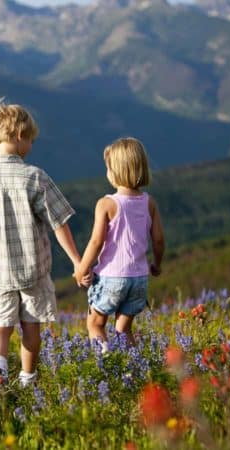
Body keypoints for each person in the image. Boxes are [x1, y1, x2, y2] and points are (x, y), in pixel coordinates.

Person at [0, 99, 83, 388]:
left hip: (0, 271)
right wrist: (78, 262)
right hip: (34, 269)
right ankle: (28, 378)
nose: (31, 145)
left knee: (0, 326)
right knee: (31, 326)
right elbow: (59, 223)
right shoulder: (34, 177)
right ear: (19, 136)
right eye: (30, 140)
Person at [74, 137, 165, 352]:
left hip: (111, 277)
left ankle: (105, 363)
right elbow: (159, 240)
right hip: (139, 278)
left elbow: (96, 242)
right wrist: (157, 264)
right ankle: (134, 367)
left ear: (114, 171)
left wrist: (82, 269)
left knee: (96, 323)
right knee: (124, 330)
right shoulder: (149, 202)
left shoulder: (106, 203)